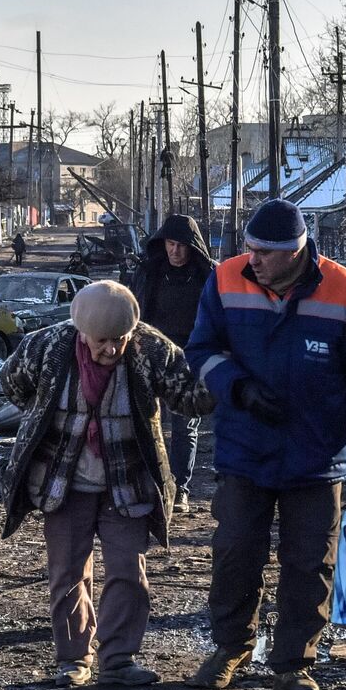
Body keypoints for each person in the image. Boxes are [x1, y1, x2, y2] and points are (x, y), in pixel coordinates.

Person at [183, 198, 346, 690]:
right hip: (245, 448)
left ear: (295, 252)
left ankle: (294, 663)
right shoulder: (226, 279)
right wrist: (239, 388)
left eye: (263, 252)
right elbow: (201, 350)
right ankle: (231, 647)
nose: (250, 258)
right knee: (235, 552)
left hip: (317, 458)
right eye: (248, 247)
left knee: (309, 563)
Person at [0, 281, 214, 688]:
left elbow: (191, 398)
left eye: (119, 340)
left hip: (127, 481)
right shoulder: (45, 348)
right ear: (81, 331)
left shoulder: (152, 349)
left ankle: (118, 659)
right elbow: (12, 384)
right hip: (62, 483)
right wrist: (47, 413)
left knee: (129, 573)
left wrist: (224, 366)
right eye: (102, 342)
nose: (111, 350)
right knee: (67, 573)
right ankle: (73, 660)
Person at [128, 214, 216, 514]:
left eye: (181, 245)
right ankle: (151, 485)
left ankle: (180, 488)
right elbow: (134, 312)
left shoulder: (207, 278)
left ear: (192, 247)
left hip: (191, 358)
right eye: (170, 244)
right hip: (151, 355)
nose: (175, 251)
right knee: (147, 422)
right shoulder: (150, 273)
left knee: (184, 426)